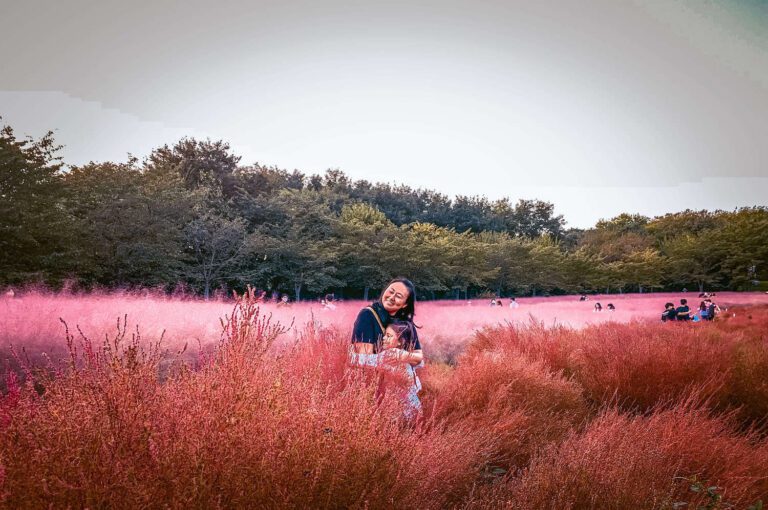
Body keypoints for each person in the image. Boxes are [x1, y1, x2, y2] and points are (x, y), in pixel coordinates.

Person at [350, 278, 423, 366]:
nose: (392, 297)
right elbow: (363, 359)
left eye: (398, 296)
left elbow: (419, 357)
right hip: (374, 378)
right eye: (391, 292)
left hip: (400, 378)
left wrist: (403, 356)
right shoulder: (367, 315)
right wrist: (388, 356)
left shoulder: (405, 323)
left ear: (405, 304)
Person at [380, 320, 423, 417]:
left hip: (402, 412)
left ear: (401, 341)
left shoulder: (390, 355)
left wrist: (350, 352)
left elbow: (363, 360)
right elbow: (421, 363)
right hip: (414, 408)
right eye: (385, 335)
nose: (383, 338)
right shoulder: (406, 355)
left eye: (388, 336)